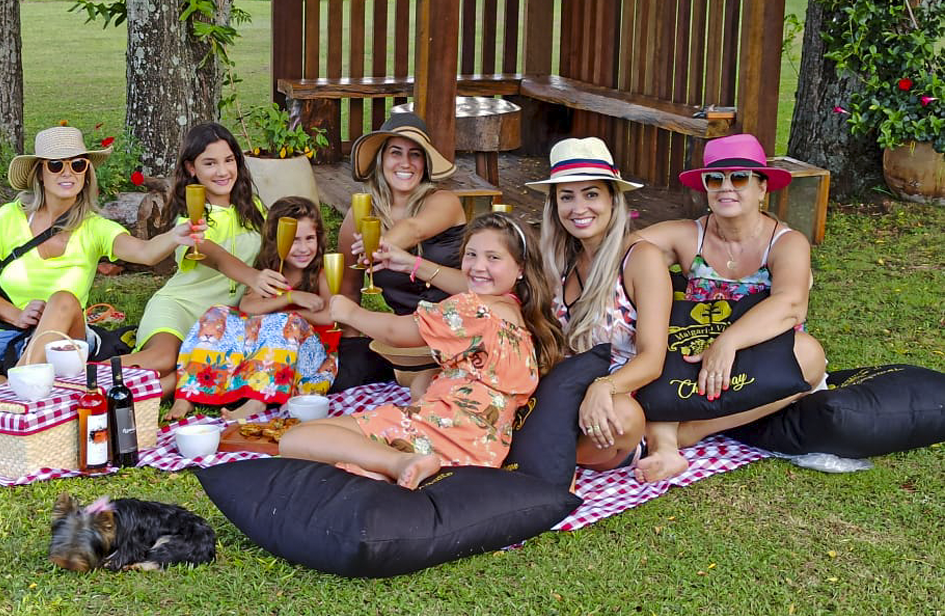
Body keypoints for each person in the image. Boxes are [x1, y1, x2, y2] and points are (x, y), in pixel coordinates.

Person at [279, 213, 567, 489]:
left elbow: (397, 332)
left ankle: (398, 463)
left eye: (493, 258)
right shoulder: (519, 315)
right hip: (480, 450)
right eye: (471, 255)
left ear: (520, 268)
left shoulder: (475, 308)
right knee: (413, 387)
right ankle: (378, 472)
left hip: (438, 434)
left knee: (296, 439)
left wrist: (351, 312)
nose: (478, 266)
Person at [633, 133, 827, 482]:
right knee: (652, 350)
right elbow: (627, 250)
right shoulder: (688, 235)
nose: (726, 187)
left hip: (758, 351)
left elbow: (791, 304)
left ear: (762, 188)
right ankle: (664, 446)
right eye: (715, 179)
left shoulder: (786, 242)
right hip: (693, 350)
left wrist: (727, 343)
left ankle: (694, 430)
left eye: (739, 178)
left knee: (810, 358)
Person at [0, 126, 204, 373]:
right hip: (2, 335)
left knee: (63, 299)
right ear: (40, 173)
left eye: (77, 165)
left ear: (86, 174)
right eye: (56, 165)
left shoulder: (95, 228)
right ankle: (20, 378)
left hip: (67, 339)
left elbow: (145, 253)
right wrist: (17, 315)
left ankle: (23, 382)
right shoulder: (9, 217)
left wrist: (177, 234)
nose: (68, 173)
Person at [528, 137, 671, 472]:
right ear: (555, 205)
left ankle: (541, 452)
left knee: (625, 418)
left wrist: (602, 387)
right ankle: (538, 448)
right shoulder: (558, 258)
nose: (579, 208)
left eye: (591, 193)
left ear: (612, 199)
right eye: (567, 196)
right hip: (556, 390)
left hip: (613, 396)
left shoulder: (641, 259)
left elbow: (652, 359)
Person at [121, 123, 289, 394]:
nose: (222, 171)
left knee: (189, 372)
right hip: (180, 308)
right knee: (164, 360)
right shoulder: (190, 217)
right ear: (191, 168)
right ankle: (84, 377)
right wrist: (252, 277)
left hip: (224, 324)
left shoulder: (254, 208)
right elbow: (216, 256)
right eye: (210, 163)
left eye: (228, 160)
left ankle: (124, 400)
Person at [166, 197, 338, 421]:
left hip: (308, 355)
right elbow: (248, 306)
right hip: (265, 350)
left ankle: (258, 401)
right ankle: (189, 392)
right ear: (277, 241)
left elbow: (329, 316)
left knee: (287, 323)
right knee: (218, 313)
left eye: (309, 239)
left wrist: (289, 316)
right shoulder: (272, 270)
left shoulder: (321, 272)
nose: (304, 248)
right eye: (294, 240)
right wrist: (289, 297)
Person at [332, 112, 468, 392]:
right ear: (381, 159)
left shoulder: (444, 201)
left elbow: (415, 228)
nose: (405, 163)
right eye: (396, 152)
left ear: (425, 164)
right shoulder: (359, 214)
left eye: (415, 155)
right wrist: (349, 346)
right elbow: (348, 289)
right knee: (343, 382)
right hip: (400, 338)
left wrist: (379, 248)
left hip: (456, 329)